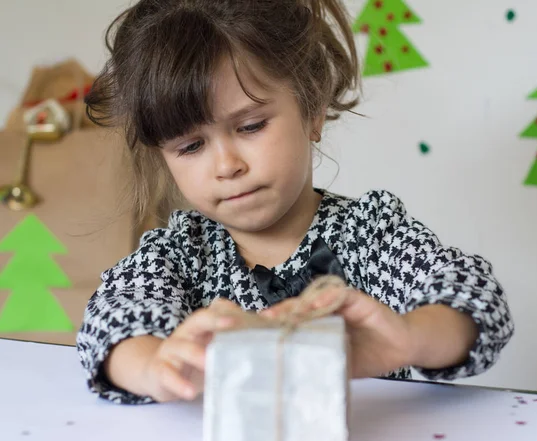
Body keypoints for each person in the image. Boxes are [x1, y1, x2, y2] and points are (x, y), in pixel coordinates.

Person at [76, 0, 514, 405]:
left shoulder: (368, 233)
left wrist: (410, 338)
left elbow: (474, 297)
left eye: (250, 126)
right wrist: (154, 365)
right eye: (190, 147)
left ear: (312, 109)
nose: (226, 165)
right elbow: (112, 320)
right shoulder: (179, 253)